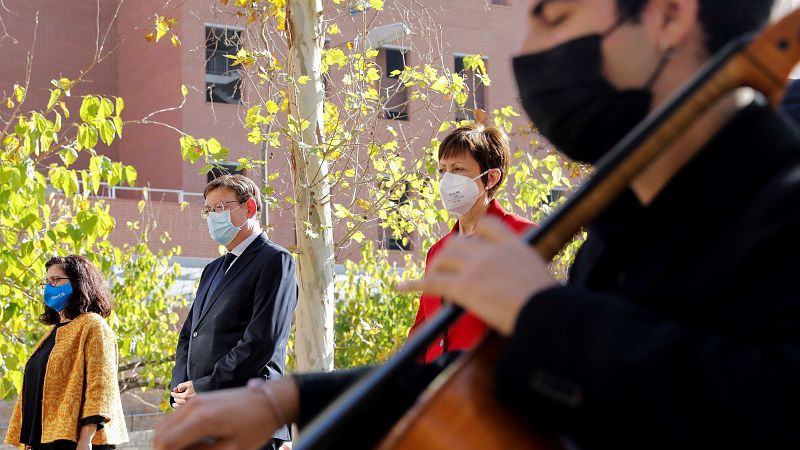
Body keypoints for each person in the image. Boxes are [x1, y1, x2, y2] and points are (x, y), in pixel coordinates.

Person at [152, 1, 800, 449]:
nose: (527, 52)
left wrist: (541, 311)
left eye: (555, 15)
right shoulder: (617, 234)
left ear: (667, 14)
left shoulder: (783, 208)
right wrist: (282, 400)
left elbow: (766, 408)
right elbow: (479, 372)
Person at [167, 174, 297, 450]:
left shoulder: (275, 260)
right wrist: (181, 389)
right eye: (208, 210)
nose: (212, 216)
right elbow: (190, 335)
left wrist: (206, 386)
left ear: (249, 208)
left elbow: (263, 339)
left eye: (220, 208)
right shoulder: (212, 269)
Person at [408, 123, 534, 363]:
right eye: (443, 170)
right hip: (439, 390)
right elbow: (421, 332)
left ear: (491, 177)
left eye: (458, 169)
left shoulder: (522, 235)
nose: (447, 179)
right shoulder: (438, 251)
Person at [4, 255, 128, 450]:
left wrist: (86, 439)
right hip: (46, 441)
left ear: (79, 283)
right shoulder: (53, 333)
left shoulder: (93, 325)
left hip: (77, 442)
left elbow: (101, 385)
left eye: (55, 280)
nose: (49, 287)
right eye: (47, 281)